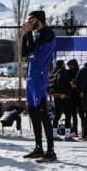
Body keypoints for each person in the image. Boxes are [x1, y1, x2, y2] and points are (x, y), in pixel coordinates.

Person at [21, 10, 57, 163]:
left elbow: (35, 49)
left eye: (32, 18)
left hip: (40, 78)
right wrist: (25, 35)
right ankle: (38, 148)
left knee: (43, 114)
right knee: (33, 114)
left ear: (39, 20)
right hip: (30, 78)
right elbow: (25, 52)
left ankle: (51, 151)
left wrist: (29, 34)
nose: (29, 21)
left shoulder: (48, 33)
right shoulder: (34, 35)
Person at [48, 60, 74, 141]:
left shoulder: (53, 72)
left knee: (57, 116)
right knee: (68, 114)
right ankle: (67, 136)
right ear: (62, 64)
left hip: (56, 97)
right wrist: (63, 92)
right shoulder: (62, 71)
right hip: (63, 96)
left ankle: (54, 135)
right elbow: (60, 81)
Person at [66, 59, 84, 138]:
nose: (70, 67)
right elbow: (66, 83)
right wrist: (70, 86)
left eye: (71, 66)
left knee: (82, 115)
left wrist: (76, 86)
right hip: (71, 96)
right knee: (73, 115)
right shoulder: (67, 73)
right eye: (69, 66)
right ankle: (75, 131)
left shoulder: (80, 72)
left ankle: (84, 131)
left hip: (79, 96)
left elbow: (83, 83)